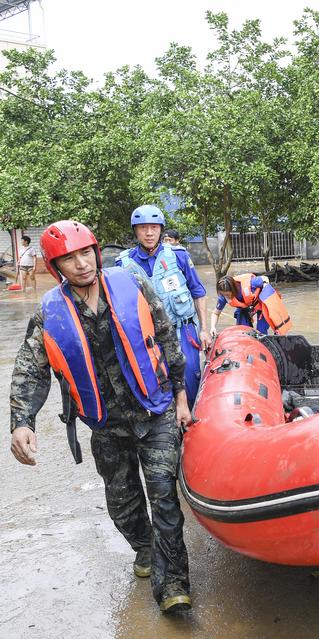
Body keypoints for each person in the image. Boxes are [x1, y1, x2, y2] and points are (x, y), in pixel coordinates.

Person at [9, 220, 193, 613]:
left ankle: (174, 585)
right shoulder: (49, 312)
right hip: (106, 424)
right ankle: (144, 549)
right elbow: (30, 369)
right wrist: (22, 422)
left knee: (164, 499)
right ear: (55, 266)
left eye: (85, 252)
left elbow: (165, 338)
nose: (81, 264)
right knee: (123, 506)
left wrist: (181, 398)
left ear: (96, 251)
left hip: (154, 411)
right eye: (69, 258)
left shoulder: (132, 284)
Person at [116, 205, 209, 408]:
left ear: (161, 229)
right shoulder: (123, 265)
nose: (149, 233)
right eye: (143, 228)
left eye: (154, 227)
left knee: (190, 380)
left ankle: (191, 429)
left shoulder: (179, 256)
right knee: (158, 386)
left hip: (184, 330)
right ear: (135, 231)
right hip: (150, 338)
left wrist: (203, 329)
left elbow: (198, 292)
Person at [210, 273, 292, 336]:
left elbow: (265, 279)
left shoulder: (251, 283)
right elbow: (216, 313)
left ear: (234, 289)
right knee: (243, 332)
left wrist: (265, 290)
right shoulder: (223, 297)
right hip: (245, 308)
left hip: (260, 305)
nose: (226, 297)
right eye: (223, 294)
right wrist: (213, 327)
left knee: (261, 331)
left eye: (227, 295)